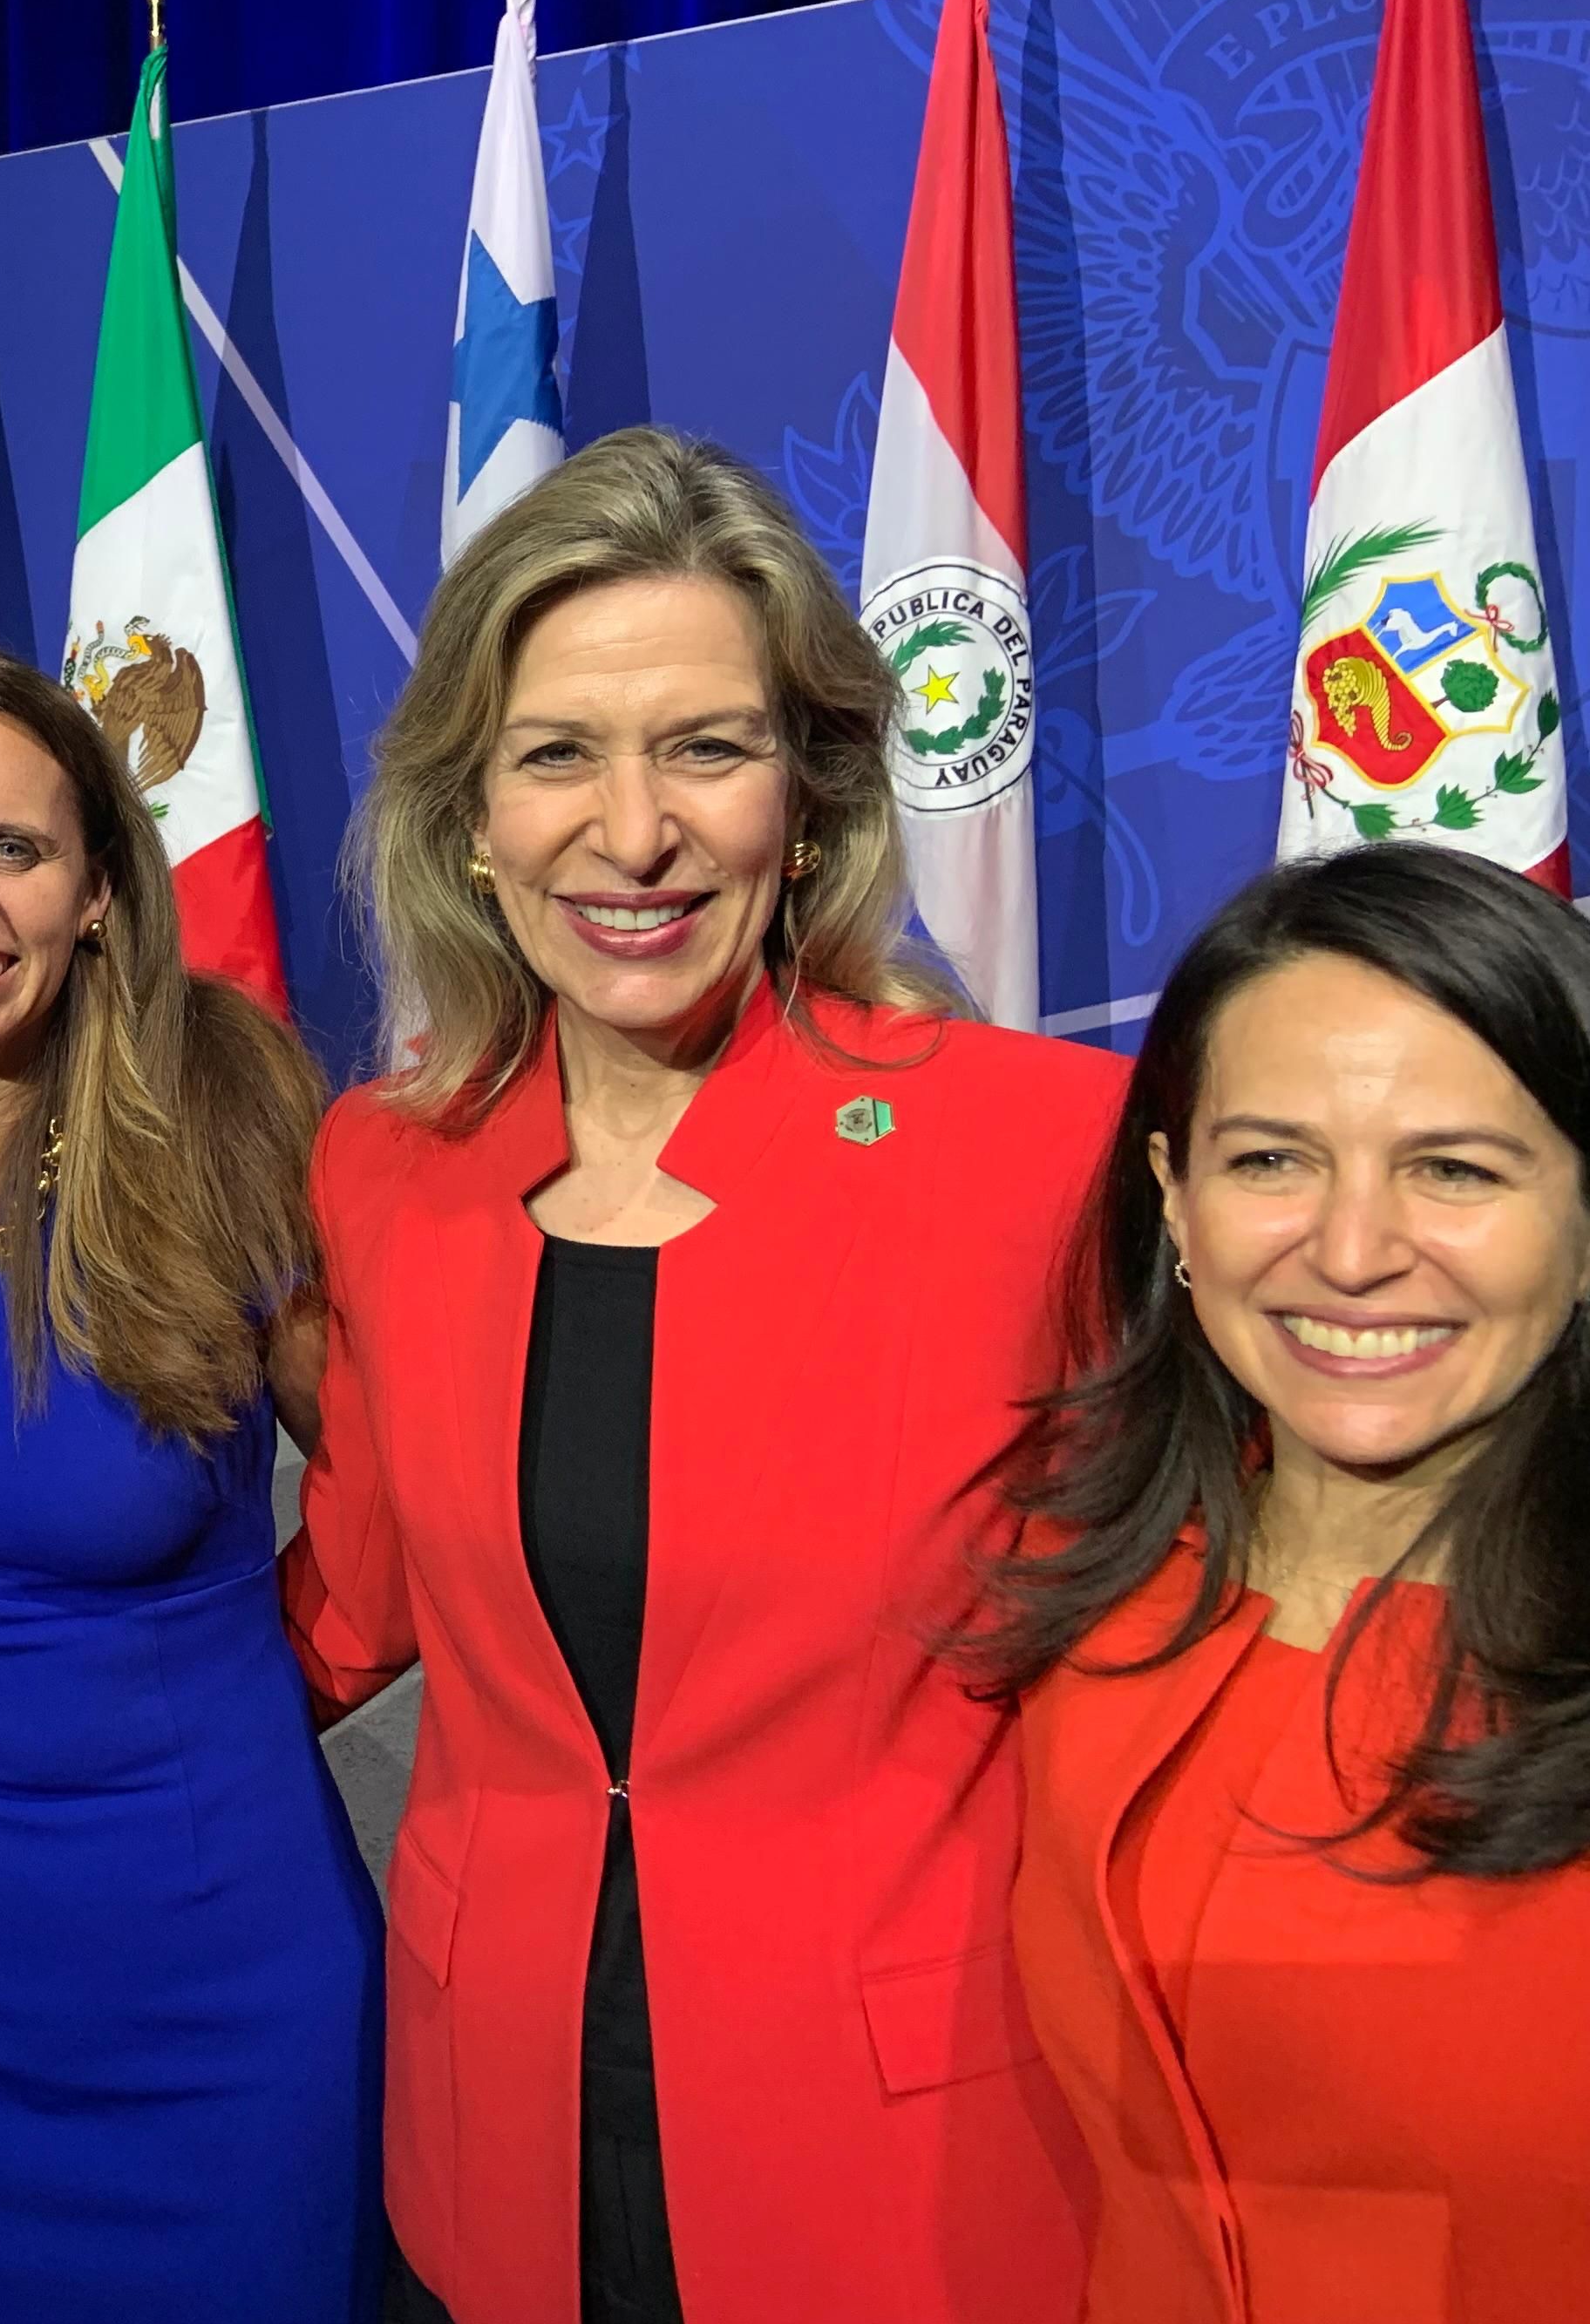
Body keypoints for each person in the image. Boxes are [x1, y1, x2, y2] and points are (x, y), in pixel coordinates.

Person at [285, 427, 1117, 2324]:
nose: (633, 833)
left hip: (901, 2172)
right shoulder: (388, 1168)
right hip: (496, 2156)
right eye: (557, 753)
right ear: (470, 816)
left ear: (811, 799)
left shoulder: (1041, 1152)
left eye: (708, 749)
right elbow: (353, 1610)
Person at [0, 642, 384, 2323]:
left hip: (208, 1995)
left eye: (12, 849)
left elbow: (407, 1522)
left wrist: (240, 1684)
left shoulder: (229, 1135)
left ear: (97, 883)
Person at [975, 843, 1590, 2323]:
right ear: (1172, 1199)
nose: (1353, 1252)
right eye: (1270, 1160)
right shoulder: (1090, 1583)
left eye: (1453, 1168)